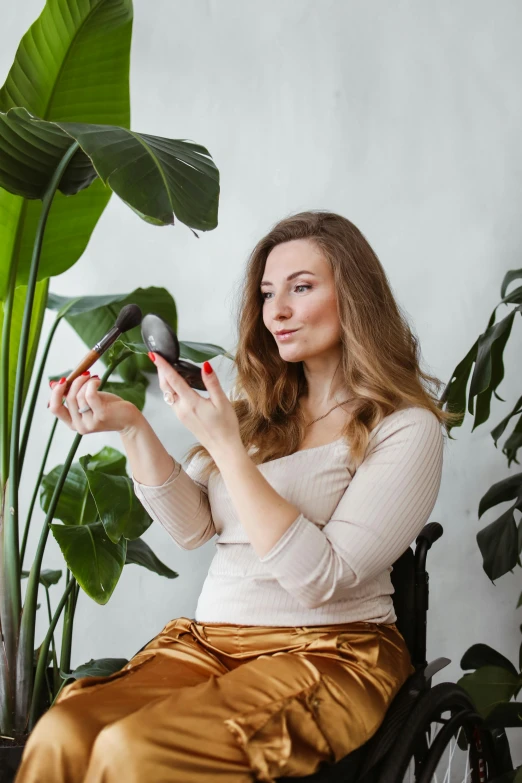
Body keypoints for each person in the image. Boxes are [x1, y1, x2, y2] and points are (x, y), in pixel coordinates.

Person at [16, 210, 457, 783]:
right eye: (268, 292)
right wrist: (129, 426)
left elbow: (322, 579)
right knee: (61, 733)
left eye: (301, 288)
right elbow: (195, 528)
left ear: (356, 297)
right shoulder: (258, 413)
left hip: (329, 653)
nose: (276, 311)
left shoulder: (405, 427)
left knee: (137, 753)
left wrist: (226, 449)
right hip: (211, 645)